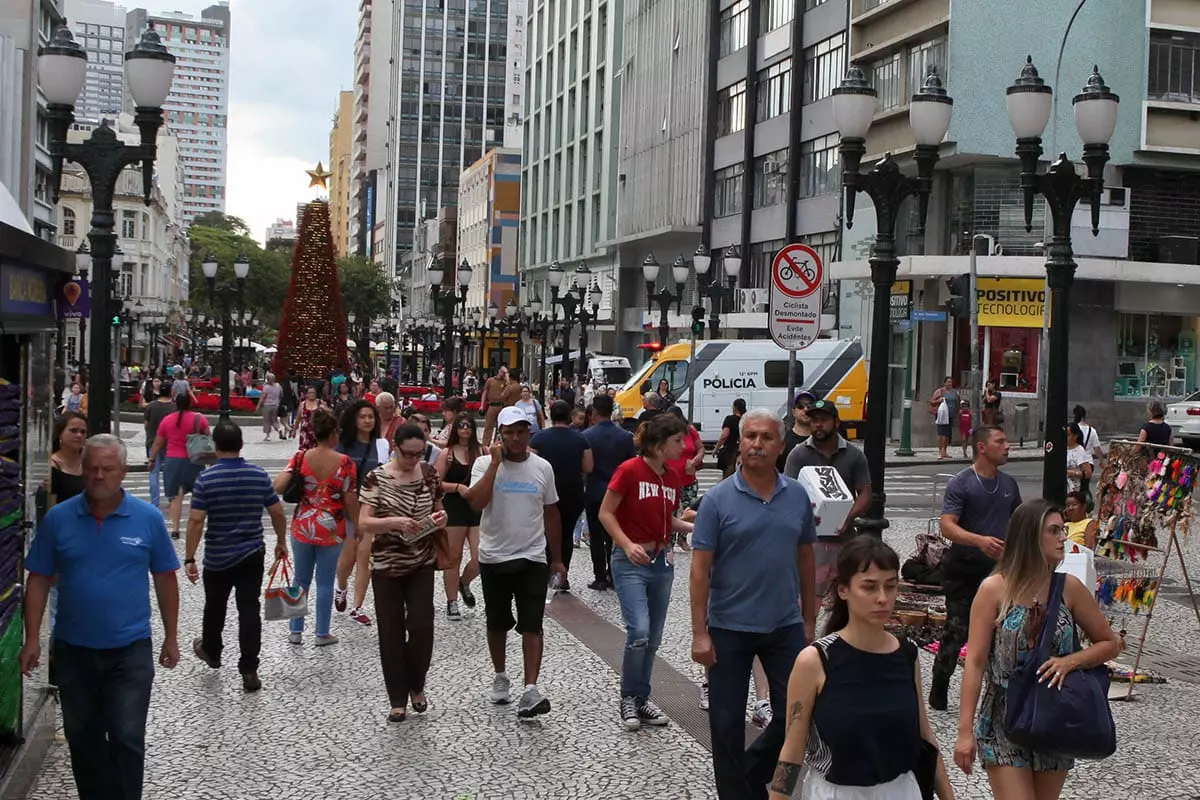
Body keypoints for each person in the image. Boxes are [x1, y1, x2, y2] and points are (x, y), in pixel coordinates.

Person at [20, 434, 180, 800]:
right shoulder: (59, 520)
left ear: (123, 472)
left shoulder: (148, 519)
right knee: (83, 738)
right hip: (74, 650)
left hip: (130, 650)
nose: (98, 475)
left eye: (107, 468)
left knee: (127, 735)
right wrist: (32, 639)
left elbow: (165, 578)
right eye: (91, 468)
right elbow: (39, 578)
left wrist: (171, 636)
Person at [690, 409, 818, 800]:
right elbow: (699, 571)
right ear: (739, 444)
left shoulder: (796, 495)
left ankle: (751, 772)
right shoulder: (717, 500)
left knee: (796, 714)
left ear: (781, 447)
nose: (756, 444)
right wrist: (699, 633)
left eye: (765, 438)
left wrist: (810, 621)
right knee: (725, 724)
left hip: (784, 625)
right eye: (750, 437)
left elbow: (807, 561)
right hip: (728, 627)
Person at [954, 499, 1120, 798]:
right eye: (1054, 531)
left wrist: (1071, 662)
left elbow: (1110, 644)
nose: (1063, 538)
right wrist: (964, 731)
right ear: (1030, 536)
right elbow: (975, 661)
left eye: (1063, 530)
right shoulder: (994, 590)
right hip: (1003, 718)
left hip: (1054, 715)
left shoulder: (1069, 588)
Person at [768, 536, 954, 800]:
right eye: (869, 587)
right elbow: (792, 749)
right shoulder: (816, 660)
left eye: (890, 587)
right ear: (843, 590)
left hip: (902, 791)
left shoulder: (906, 653)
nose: (882, 598)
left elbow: (924, 734)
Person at [462, 406, 565, 718]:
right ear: (500, 435)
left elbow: (551, 511)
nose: (516, 438)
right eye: (509, 433)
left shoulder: (542, 467)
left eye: (521, 431)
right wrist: (495, 465)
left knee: (532, 623)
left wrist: (557, 559)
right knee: (497, 622)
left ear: (529, 433)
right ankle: (500, 675)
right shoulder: (483, 464)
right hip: (494, 556)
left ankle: (531, 688)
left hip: (531, 555)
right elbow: (477, 502)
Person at [600, 414, 693, 730]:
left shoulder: (671, 477)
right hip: (631, 562)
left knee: (652, 638)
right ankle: (628, 697)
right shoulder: (629, 471)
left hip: (661, 561)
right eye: (678, 440)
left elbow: (670, 519)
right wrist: (626, 544)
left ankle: (641, 699)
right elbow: (605, 512)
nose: (684, 446)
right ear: (658, 443)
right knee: (638, 631)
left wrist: (697, 526)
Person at [184, 421, 288, 693]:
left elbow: (196, 521)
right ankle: (249, 668)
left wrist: (189, 557)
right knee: (249, 610)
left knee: (215, 607)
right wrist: (280, 541)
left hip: (218, 555)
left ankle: (212, 651)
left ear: (215, 447)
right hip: (252, 552)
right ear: (241, 445)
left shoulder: (206, 478)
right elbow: (277, 511)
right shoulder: (258, 475)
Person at [928, 426, 1022, 711]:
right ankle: (940, 684)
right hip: (965, 572)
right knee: (957, 632)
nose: (1008, 447)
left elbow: (1019, 522)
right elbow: (947, 525)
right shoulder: (962, 483)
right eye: (1000, 441)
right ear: (982, 447)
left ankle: (995, 696)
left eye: (1007, 441)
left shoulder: (1009, 485)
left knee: (1000, 634)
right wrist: (979, 541)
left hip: (999, 573)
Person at [359, 423, 448, 722]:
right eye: (407, 454)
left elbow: (437, 508)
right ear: (395, 447)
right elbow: (364, 523)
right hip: (386, 563)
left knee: (423, 624)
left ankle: (417, 683)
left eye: (418, 454)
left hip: (422, 559)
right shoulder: (377, 478)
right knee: (391, 631)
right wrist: (395, 522)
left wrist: (440, 518)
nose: (413, 460)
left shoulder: (430, 474)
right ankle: (397, 698)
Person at [273, 409, 359, 646]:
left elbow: (278, 486)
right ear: (333, 433)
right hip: (331, 525)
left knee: (300, 579)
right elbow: (350, 499)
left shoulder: (300, 457)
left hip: (303, 523)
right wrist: (358, 526)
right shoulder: (346, 463)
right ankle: (322, 633)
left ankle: (295, 631)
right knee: (325, 580)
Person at [334, 400, 391, 626]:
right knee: (347, 560)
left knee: (365, 557)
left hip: (372, 509)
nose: (367, 420)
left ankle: (357, 606)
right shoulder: (343, 446)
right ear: (354, 420)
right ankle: (341, 587)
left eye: (371, 416)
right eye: (362, 417)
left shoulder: (382, 445)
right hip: (348, 508)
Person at [783, 399, 872, 539]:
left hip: (844, 537)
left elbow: (865, 493)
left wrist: (847, 518)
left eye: (824, 420)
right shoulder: (797, 455)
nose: (818, 424)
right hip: (809, 538)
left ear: (836, 422)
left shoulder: (854, 455)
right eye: (814, 420)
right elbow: (786, 494)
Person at [531, 400, 593, 591]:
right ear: (568, 416)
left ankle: (545, 570)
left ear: (551, 414)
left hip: (546, 492)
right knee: (566, 534)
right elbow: (588, 467)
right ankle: (561, 575)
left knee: (545, 531)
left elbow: (530, 465)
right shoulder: (581, 439)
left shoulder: (539, 438)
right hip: (572, 491)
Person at [583, 394, 637, 591]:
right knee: (615, 535)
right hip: (618, 493)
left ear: (595, 412)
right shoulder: (625, 437)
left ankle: (599, 577)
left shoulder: (587, 436)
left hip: (595, 490)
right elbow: (632, 464)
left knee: (596, 536)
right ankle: (614, 574)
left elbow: (584, 467)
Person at [435, 411, 484, 619]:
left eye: (468, 426)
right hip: (454, 506)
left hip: (475, 507)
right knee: (453, 557)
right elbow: (436, 482)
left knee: (482, 554)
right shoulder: (446, 454)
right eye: (461, 426)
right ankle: (452, 601)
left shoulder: (481, 451)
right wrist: (456, 487)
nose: (465, 429)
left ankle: (464, 581)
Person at [148, 392, 210, 539]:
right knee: (197, 495)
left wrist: (152, 459)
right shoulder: (199, 418)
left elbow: (158, 442)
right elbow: (208, 436)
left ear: (176, 403)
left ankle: (175, 529)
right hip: (194, 460)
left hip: (173, 461)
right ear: (190, 403)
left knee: (176, 496)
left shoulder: (167, 420)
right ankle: (195, 523)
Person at [664, 406, 704, 544]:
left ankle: (682, 538)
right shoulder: (665, 432)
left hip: (688, 477)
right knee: (669, 510)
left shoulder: (690, 430)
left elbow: (700, 448)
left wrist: (696, 459)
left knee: (689, 508)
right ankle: (669, 540)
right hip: (669, 477)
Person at [143, 384, 173, 507]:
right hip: (169, 444)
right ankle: (171, 497)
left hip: (153, 442)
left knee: (153, 472)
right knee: (169, 471)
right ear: (171, 392)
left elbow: (146, 424)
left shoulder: (151, 406)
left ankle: (155, 501)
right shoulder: (174, 407)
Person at [778, 391, 814, 472]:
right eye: (800, 406)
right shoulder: (783, 440)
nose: (806, 409)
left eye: (810, 406)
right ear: (793, 412)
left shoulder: (821, 441)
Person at [714, 398, 745, 478]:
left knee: (728, 477)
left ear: (735, 407)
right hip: (742, 451)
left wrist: (716, 448)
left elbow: (724, 435)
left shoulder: (730, 419)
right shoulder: (745, 420)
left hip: (730, 451)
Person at [480, 366, 512, 446]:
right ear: (498, 371)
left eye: (504, 372)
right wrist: (482, 405)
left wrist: (507, 374)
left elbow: (509, 386)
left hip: (501, 406)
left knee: (500, 428)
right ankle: (485, 445)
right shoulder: (490, 380)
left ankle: (496, 444)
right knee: (488, 427)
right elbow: (485, 392)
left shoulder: (505, 382)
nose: (502, 374)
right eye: (501, 371)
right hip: (492, 405)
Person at [930, 377, 958, 460]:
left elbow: (957, 403)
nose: (949, 384)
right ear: (944, 383)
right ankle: (940, 451)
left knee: (947, 434)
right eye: (948, 382)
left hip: (951, 415)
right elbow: (932, 401)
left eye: (951, 382)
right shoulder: (940, 391)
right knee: (941, 433)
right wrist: (939, 400)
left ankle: (945, 451)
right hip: (942, 415)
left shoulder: (955, 392)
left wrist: (957, 413)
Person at [296, 384, 327, 451]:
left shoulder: (320, 403)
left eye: (313, 392)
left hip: (318, 431)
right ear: (306, 394)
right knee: (305, 451)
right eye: (310, 393)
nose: (312, 394)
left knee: (318, 450)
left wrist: (325, 409)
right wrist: (294, 429)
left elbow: (328, 415)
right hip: (305, 432)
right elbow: (298, 418)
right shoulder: (302, 404)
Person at [1065, 422, 1093, 495]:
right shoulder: (1061, 449)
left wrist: (1073, 473)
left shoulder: (1079, 450)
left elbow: (1088, 473)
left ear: (1075, 436)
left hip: (1073, 490)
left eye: (1068, 435)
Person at [256, 372, 284, 442]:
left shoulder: (266, 387)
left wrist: (258, 406)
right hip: (276, 405)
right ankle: (279, 429)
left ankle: (267, 436)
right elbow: (281, 395)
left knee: (267, 420)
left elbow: (263, 397)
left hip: (267, 405)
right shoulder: (278, 386)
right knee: (274, 419)